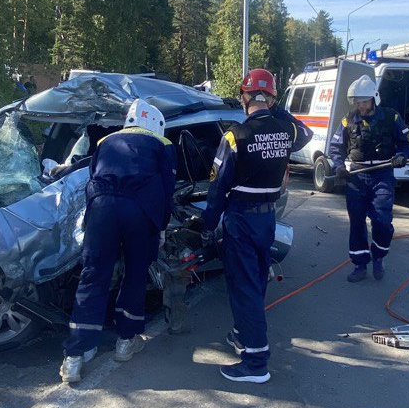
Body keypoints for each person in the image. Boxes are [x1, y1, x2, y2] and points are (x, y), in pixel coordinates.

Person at [60, 99, 176, 385]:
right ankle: (126, 342)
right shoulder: (163, 144)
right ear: (155, 123)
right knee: (135, 275)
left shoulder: (105, 140)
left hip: (101, 210)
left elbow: (92, 177)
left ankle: (75, 356)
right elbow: (167, 189)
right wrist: (160, 228)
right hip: (140, 211)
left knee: (93, 276)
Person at [192, 68, 295, 384]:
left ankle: (255, 362)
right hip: (267, 219)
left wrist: (208, 226)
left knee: (244, 288)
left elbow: (217, 188)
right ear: (272, 99)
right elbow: (295, 136)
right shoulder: (285, 132)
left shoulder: (235, 136)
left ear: (244, 97)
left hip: (241, 221)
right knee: (257, 280)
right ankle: (241, 333)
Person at [327, 75, 409, 282]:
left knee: (382, 221)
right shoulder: (347, 120)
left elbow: (407, 143)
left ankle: (378, 257)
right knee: (357, 222)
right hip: (357, 176)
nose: (360, 106)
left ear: (374, 99)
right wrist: (339, 166)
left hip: (382, 174)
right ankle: (360, 265)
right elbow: (335, 148)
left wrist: (402, 156)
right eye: (357, 102)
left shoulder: (391, 118)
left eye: (364, 102)